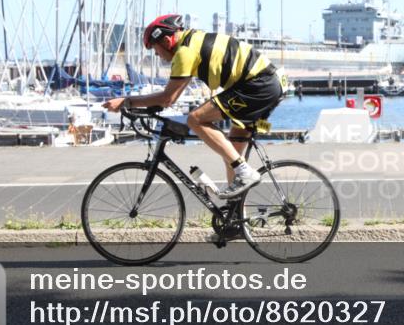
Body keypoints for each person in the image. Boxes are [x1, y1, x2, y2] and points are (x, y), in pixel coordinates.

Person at [102, 14, 283, 198]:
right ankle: (235, 217)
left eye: (155, 49)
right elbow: (171, 96)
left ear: (166, 40)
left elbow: (167, 98)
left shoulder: (185, 52)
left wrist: (127, 101)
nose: (157, 55)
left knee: (195, 119)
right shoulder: (193, 41)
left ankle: (245, 173)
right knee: (231, 154)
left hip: (257, 85)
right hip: (264, 83)